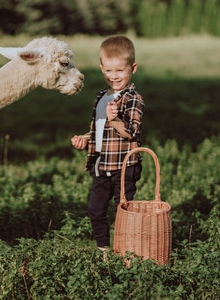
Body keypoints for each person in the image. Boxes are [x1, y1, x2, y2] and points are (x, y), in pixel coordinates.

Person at [71, 35, 144, 252]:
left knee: (123, 211)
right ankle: (103, 250)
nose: (114, 76)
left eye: (120, 71)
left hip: (124, 167)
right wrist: (86, 140)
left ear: (133, 68)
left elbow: (131, 132)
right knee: (95, 210)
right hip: (101, 165)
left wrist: (115, 120)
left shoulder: (133, 99)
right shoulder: (101, 96)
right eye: (109, 71)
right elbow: (101, 129)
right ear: (101, 68)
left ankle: (126, 252)